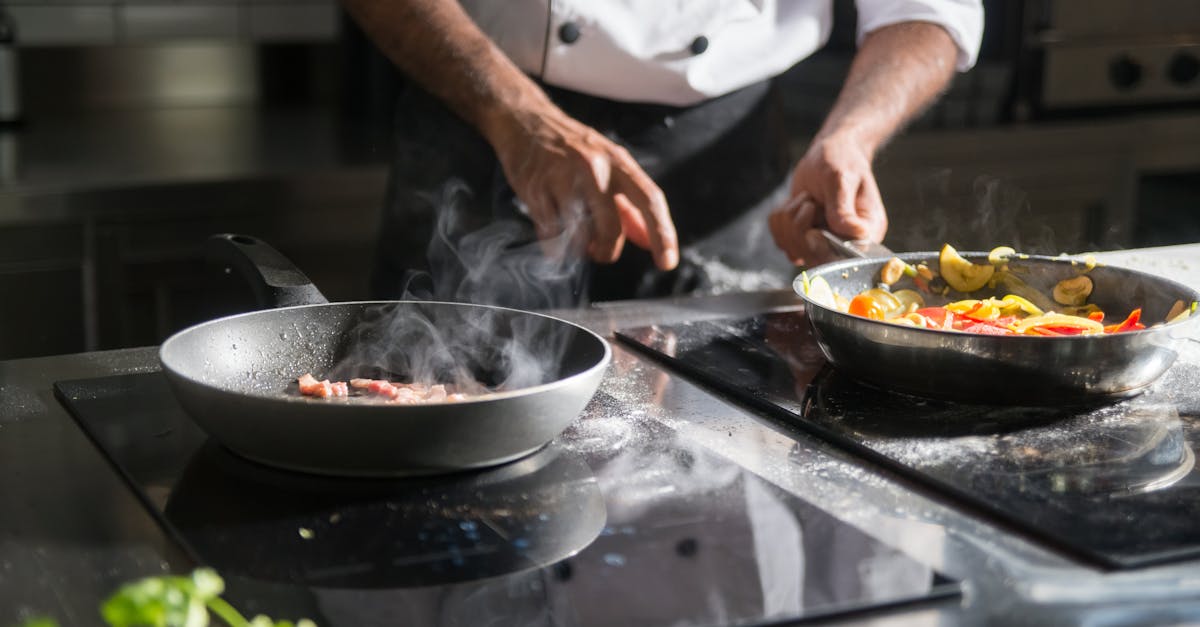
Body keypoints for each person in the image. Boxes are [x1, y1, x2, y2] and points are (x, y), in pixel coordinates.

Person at [341, 0, 984, 307]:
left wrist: (851, 136)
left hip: (725, 158)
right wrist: (519, 118)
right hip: (485, 114)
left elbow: (929, 8)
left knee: (719, 447)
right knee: (431, 404)